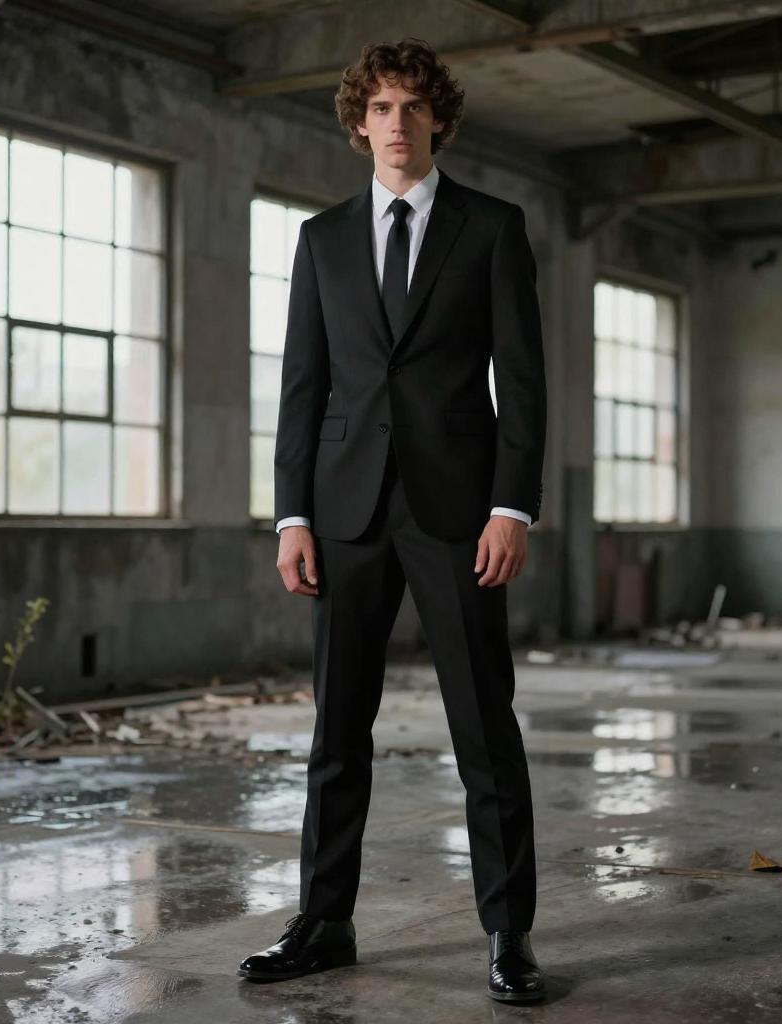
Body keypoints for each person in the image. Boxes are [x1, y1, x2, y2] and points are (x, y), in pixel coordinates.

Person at [238, 36, 547, 1005]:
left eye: (413, 106)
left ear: (438, 119)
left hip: (460, 513)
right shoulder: (321, 240)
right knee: (336, 731)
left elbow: (525, 386)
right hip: (345, 513)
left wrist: (512, 504)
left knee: (482, 728)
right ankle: (324, 920)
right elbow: (301, 387)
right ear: (356, 121)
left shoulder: (491, 228)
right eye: (379, 107)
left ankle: (507, 934)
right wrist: (291, 514)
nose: (396, 123)